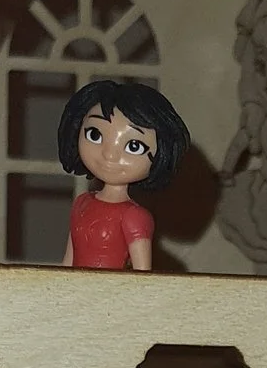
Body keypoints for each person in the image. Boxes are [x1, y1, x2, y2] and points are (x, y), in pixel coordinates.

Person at [56, 79, 190, 270]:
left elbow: (141, 273)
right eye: (95, 134)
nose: (109, 155)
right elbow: (68, 261)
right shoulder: (82, 203)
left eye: (134, 146)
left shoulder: (134, 216)